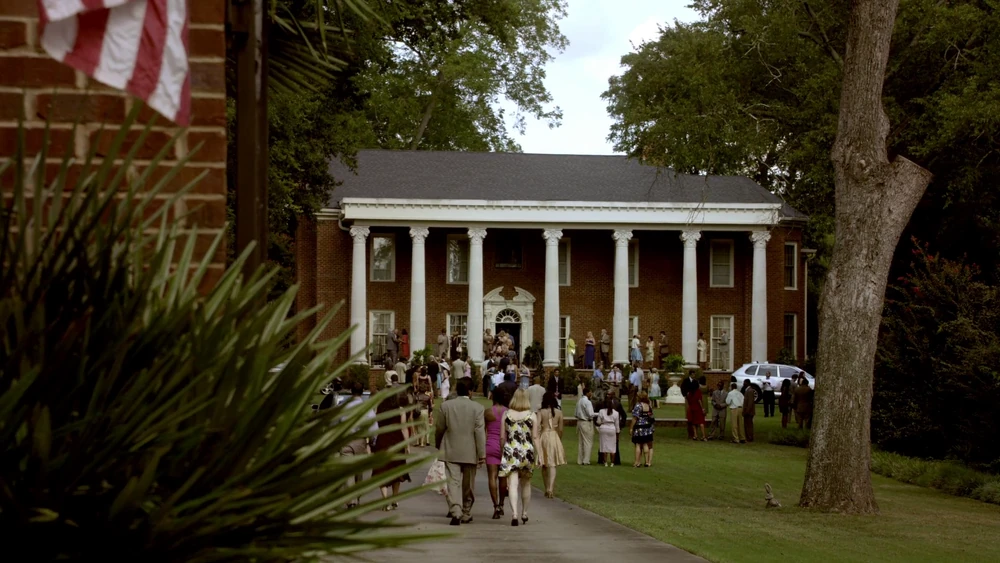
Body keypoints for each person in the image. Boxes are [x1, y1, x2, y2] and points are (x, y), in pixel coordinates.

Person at [435, 380, 486, 526]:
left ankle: (455, 510)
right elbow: (479, 432)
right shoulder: (477, 408)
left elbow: (440, 428)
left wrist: (439, 445)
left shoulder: (446, 406)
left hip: (450, 448)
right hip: (470, 450)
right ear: (470, 391)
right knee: (468, 484)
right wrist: (482, 453)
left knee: (453, 482)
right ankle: (466, 511)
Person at [499, 389, 538, 526]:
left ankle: (514, 513)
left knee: (513, 484)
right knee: (526, 483)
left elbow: (502, 437)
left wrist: (502, 450)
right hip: (527, 450)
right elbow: (534, 437)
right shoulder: (532, 415)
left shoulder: (506, 414)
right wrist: (539, 455)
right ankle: (524, 513)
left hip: (511, 450)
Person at [371, 375, 410, 511]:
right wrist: (407, 444)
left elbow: (375, 424)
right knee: (397, 470)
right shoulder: (400, 410)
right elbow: (404, 428)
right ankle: (394, 499)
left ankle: (385, 500)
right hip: (396, 441)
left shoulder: (379, 409)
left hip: (382, 440)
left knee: (382, 471)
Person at [337, 382, 377, 508]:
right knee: (358, 471)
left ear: (350, 391)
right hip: (360, 441)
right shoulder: (367, 408)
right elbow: (373, 426)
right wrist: (373, 441)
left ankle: (351, 499)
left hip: (346, 440)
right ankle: (356, 497)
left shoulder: (344, 407)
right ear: (362, 391)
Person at [484, 391, 509, 519]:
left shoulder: (488, 412)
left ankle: (495, 506)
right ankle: (502, 504)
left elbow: (484, 431)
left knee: (492, 477)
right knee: (503, 477)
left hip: (491, 445)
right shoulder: (508, 412)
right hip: (504, 445)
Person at [537, 392, 566, 497]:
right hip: (554, 436)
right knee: (553, 464)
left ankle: (546, 488)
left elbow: (538, 427)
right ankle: (550, 488)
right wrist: (559, 438)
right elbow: (561, 429)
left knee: (544, 464)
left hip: (544, 436)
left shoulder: (541, 412)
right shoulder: (559, 412)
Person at [630, 391, 655, 467]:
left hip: (639, 427)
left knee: (638, 444)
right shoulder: (648, 405)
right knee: (645, 444)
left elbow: (635, 418)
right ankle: (647, 461)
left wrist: (631, 428)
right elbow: (651, 416)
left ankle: (637, 462)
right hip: (647, 427)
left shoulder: (638, 406)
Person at [574, 386, 596, 465]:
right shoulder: (588, 402)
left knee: (581, 442)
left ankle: (580, 460)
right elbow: (590, 414)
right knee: (588, 442)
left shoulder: (579, 401)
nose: (591, 393)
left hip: (580, 422)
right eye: (590, 392)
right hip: (586, 422)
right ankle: (586, 460)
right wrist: (599, 413)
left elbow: (575, 414)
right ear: (588, 393)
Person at [596, 399, 621, 466]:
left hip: (603, 428)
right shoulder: (616, 413)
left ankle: (605, 462)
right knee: (612, 446)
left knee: (604, 446)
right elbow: (617, 425)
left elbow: (598, 421)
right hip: (612, 428)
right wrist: (618, 434)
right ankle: (612, 463)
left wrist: (602, 422)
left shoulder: (601, 411)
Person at [415, 367, 434, 446]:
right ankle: (427, 440)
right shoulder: (428, 377)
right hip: (427, 393)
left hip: (421, 393)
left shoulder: (418, 376)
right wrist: (431, 393)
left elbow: (417, 384)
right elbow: (430, 385)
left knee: (419, 425)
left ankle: (418, 441)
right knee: (426, 425)